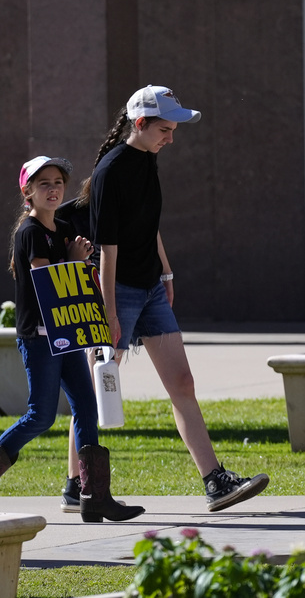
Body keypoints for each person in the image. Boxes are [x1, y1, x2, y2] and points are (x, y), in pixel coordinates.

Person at [63, 85, 270, 513]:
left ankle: (215, 482)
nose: (170, 138)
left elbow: (148, 223)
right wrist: (110, 313)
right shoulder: (110, 172)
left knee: (182, 384)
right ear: (139, 124)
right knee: (97, 390)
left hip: (151, 287)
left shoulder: (147, 160)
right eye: (164, 129)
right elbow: (109, 248)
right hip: (116, 288)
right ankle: (77, 485)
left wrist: (166, 270)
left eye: (173, 130)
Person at [0, 156, 145, 523]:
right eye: (43, 184)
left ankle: (94, 495)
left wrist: (83, 263)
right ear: (28, 193)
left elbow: (76, 284)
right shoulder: (31, 233)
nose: (53, 189)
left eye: (58, 182)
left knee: (86, 409)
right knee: (40, 416)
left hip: (65, 335)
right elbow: (48, 285)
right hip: (39, 337)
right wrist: (72, 259)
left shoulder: (63, 228)